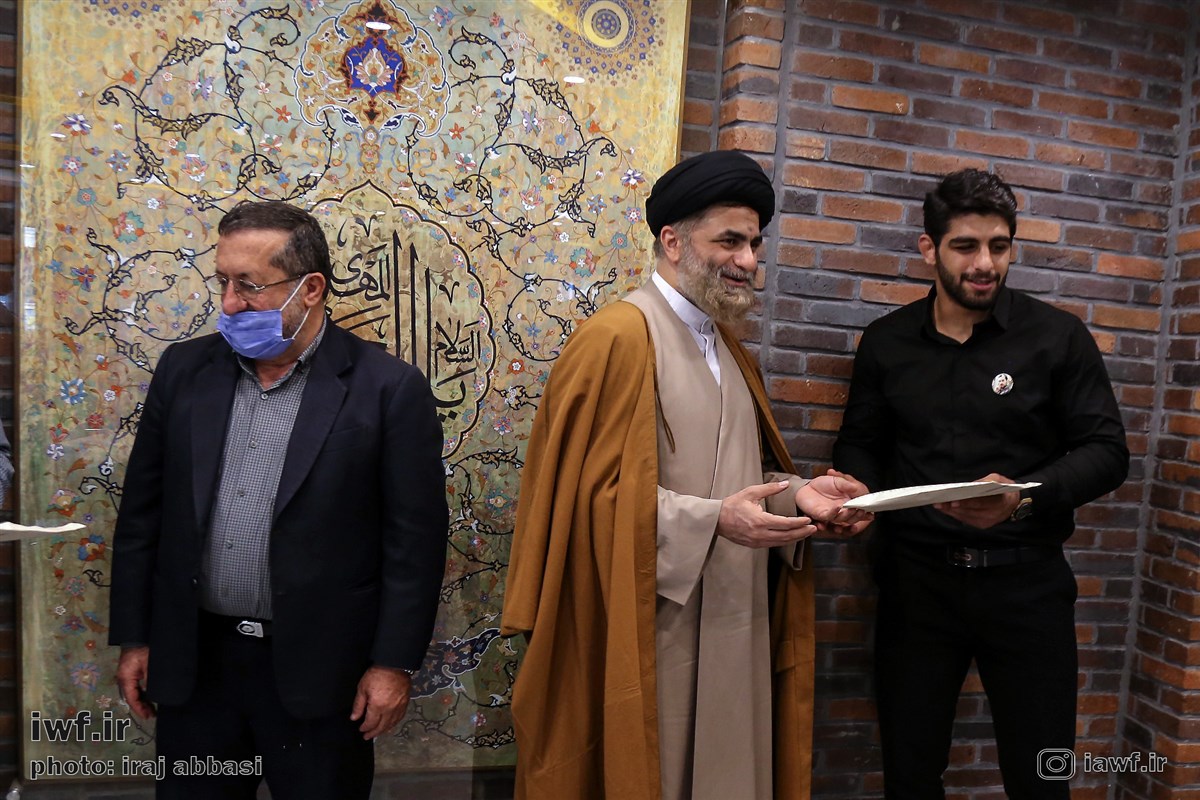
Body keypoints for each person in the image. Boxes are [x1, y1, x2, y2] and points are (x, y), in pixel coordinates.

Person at [502, 150, 872, 800]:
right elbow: (580, 505)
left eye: (754, 243)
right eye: (729, 240)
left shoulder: (729, 348)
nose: (748, 260)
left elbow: (739, 472)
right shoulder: (618, 338)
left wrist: (799, 495)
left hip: (734, 617)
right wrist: (712, 520)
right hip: (647, 627)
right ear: (672, 242)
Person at [108, 200, 448, 799]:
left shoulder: (387, 389)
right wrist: (136, 638)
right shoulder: (185, 371)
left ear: (310, 289)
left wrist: (392, 664)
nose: (229, 303)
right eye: (222, 281)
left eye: (249, 285)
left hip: (321, 674)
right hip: (196, 665)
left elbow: (414, 545)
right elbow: (143, 515)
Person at [833, 169, 1129, 799]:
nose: (985, 264)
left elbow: (1107, 453)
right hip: (917, 587)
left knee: (1042, 777)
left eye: (999, 245)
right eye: (965, 246)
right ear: (929, 249)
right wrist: (858, 493)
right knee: (910, 777)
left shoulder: (1057, 338)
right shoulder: (886, 343)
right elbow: (861, 443)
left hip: (1028, 587)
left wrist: (1022, 498)